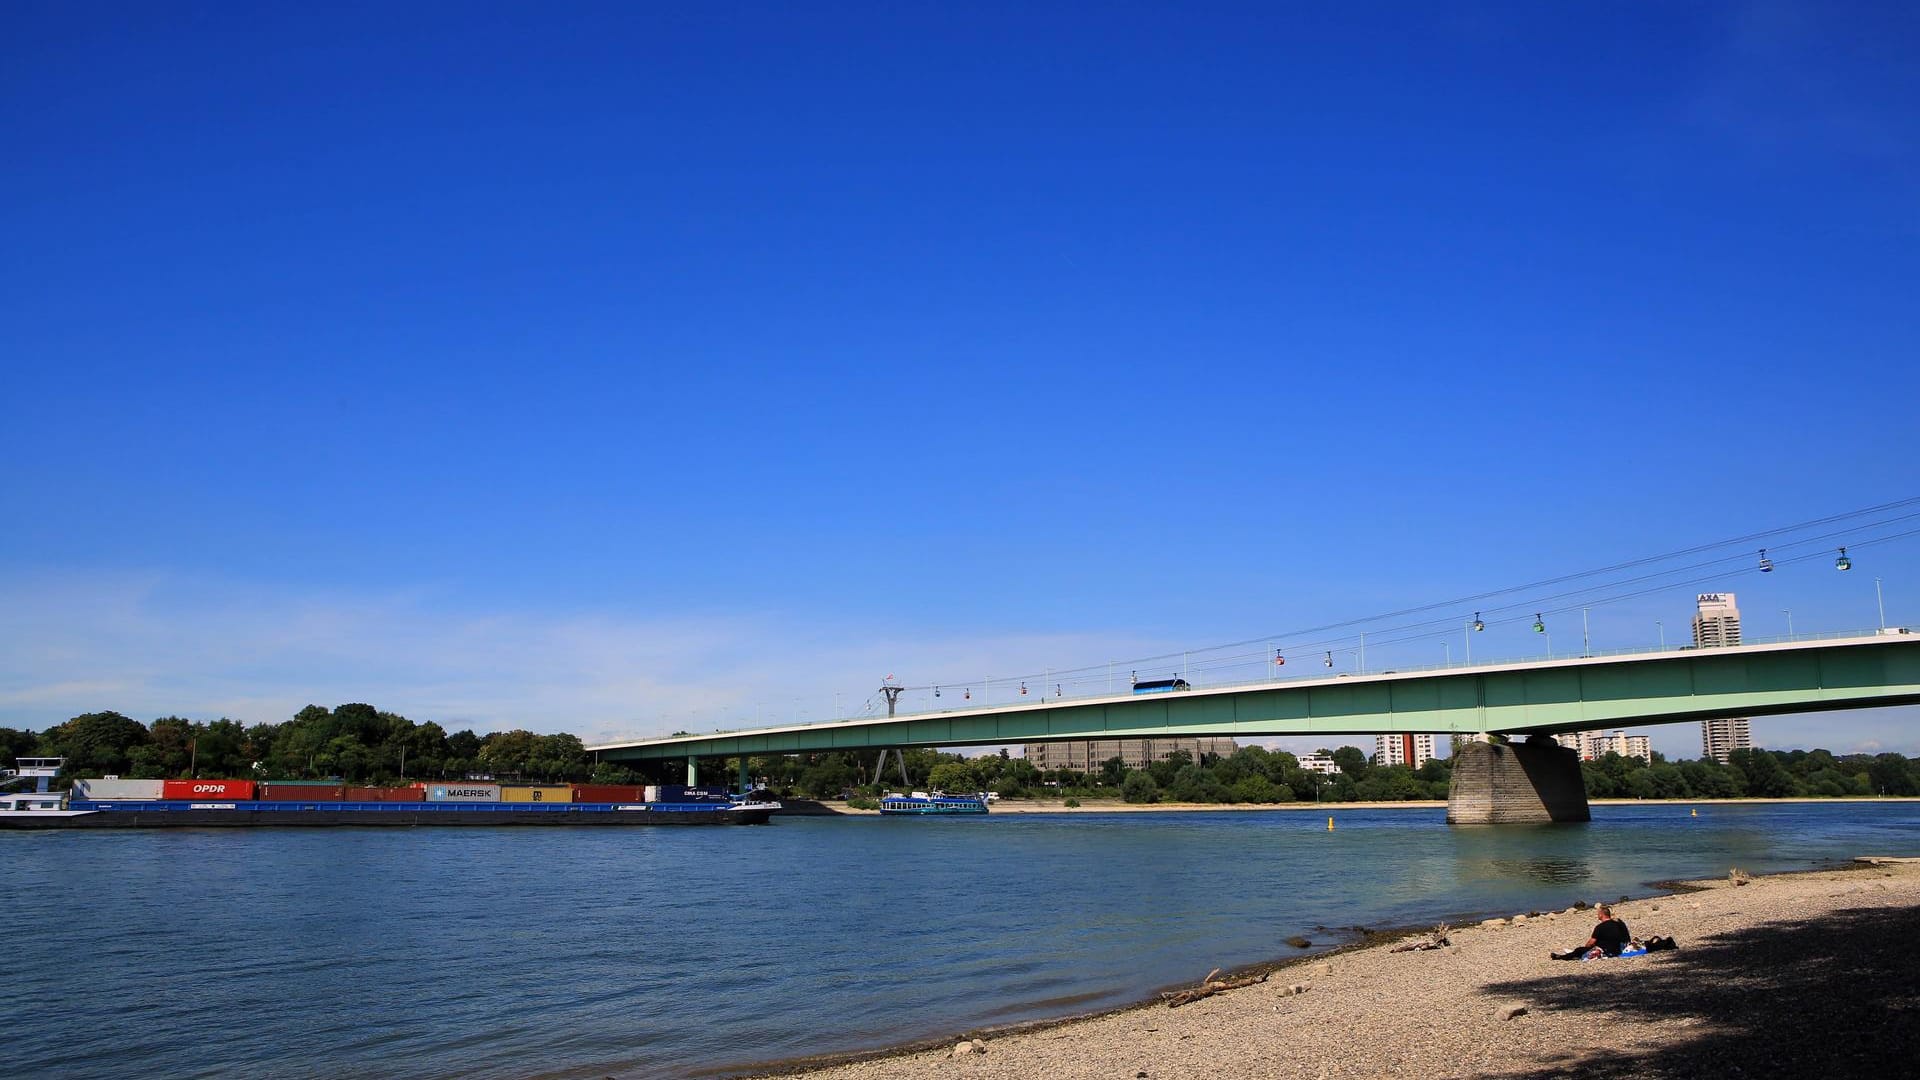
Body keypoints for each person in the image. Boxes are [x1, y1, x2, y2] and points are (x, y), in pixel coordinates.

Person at [1551, 903, 1630, 960]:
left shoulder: (1600, 927)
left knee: (1579, 950)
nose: (1597, 915)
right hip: (1619, 948)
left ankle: (1560, 957)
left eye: (1598, 913)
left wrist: (1585, 948)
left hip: (1607, 950)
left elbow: (1591, 942)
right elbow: (1625, 936)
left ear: (1601, 915)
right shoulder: (1618, 923)